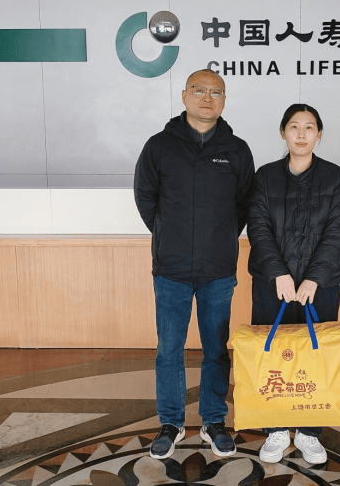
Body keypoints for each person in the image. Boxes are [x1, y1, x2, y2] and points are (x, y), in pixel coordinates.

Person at [134, 69, 255, 460]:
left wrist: (219, 236)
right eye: (199, 90)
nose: (207, 98)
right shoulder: (159, 146)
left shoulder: (237, 149)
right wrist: (168, 233)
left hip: (217, 269)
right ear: (185, 95)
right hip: (171, 269)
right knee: (169, 349)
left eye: (216, 92)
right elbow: (146, 198)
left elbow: (243, 204)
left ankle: (213, 421)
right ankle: (170, 423)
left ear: (224, 100)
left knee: (216, 349)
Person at [246, 103, 340, 465]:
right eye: (294, 126)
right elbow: (258, 227)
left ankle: (309, 432)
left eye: (309, 127)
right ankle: (275, 429)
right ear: (283, 132)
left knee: (315, 356)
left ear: (319, 134)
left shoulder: (334, 177)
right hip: (270, 284)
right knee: (273, 354)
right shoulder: (265, 176)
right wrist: (278, 272)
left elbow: (336, 231)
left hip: (319, 287)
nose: (301, 133)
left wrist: (314, 278)